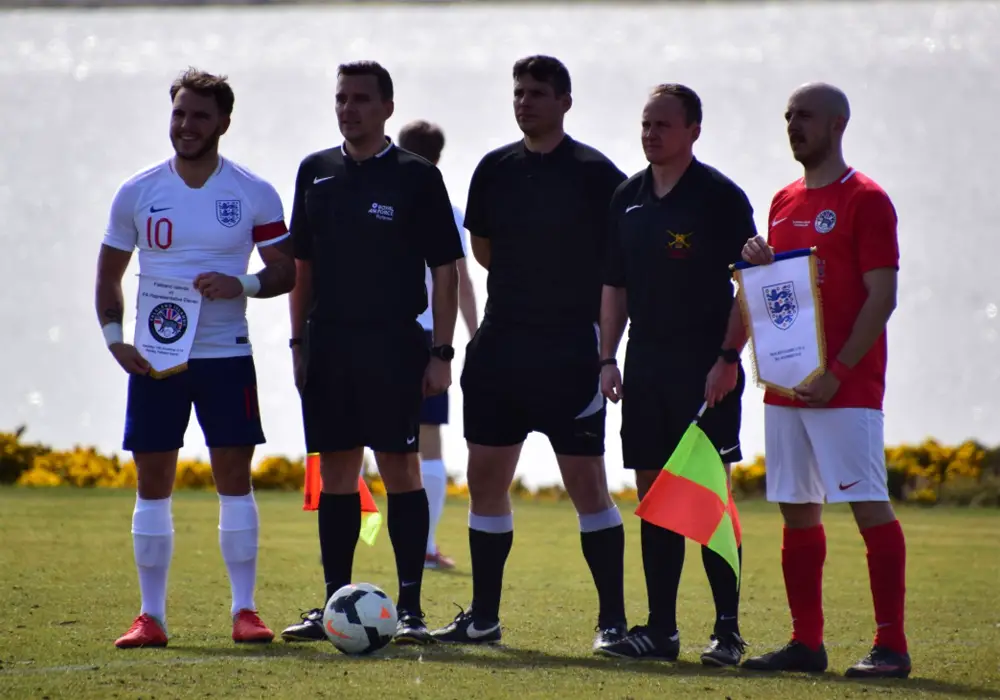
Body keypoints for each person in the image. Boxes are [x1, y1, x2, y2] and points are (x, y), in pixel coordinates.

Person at [430, 55, 629, 653]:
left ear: (565, 101)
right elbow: (484, 251)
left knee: (588, 486)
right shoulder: (493, 170)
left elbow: (618, 266)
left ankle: (612, 624)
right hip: (499, 351)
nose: (525, 102)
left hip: (571, 354)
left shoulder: (599, 175)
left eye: (538, 93)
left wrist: (603, 348)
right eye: (518, 92)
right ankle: (484, 619)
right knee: (487, 482)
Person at [97, 68, 295, 648]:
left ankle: (245, 610)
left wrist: (246, 286)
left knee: (234, 480)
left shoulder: (252, 191)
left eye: (200, 116)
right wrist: (115, 340)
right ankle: (150, 616)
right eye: (179, 113)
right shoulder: (138, 190)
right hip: (157, 361)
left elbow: (285, 270)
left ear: (223, 124)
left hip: (226, 355)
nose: (186, 126)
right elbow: (108, 276)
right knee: (152, 483)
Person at [279, 61, 463, 645]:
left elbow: (446, 269)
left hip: (394, 343)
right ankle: (336, 604)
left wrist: (442, 352)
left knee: (400, 469)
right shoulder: (315, 171)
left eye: (361, 99)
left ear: (386, 107)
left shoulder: (416, 176)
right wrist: (298, 343)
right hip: (329, 342)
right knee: (335, 472)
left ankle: (410, 609)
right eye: (341, 98)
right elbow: (301, 269)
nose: (348, 108)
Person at [740, 82, 910, 678]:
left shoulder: (867, 198)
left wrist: (839, 372)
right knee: (796, 510)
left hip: (846, 388)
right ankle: (806, 644)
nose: (793, 125)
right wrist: (758, 269)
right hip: (786, 386)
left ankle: (892, 646)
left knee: (868, 505)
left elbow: (881, 298)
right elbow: (781, 296)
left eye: (804, 116)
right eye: (788, 116)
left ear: (838, 124)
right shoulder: (783, 201)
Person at [596, 84, 753, 665]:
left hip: (706, 366)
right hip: (644, 366)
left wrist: (729, 359)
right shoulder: (626, 198)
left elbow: (748, 286)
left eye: (663, 124)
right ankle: (660, 630)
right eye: (645, 124)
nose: (651, 134)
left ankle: (728, 632)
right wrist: (608, 357)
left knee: (710, 498)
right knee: (654, 495)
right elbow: (614, 286)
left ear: (693, 131)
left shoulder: (719, 197)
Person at [396, 119, 480, 572]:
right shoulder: (447, 210)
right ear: (440, 158)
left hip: (382, 332)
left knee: (381, 443)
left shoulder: (380, 195)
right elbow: (461, 282)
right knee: (428, 444)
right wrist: (476, 333)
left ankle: (403, 543)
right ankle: (423, 546)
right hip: (430, 336)